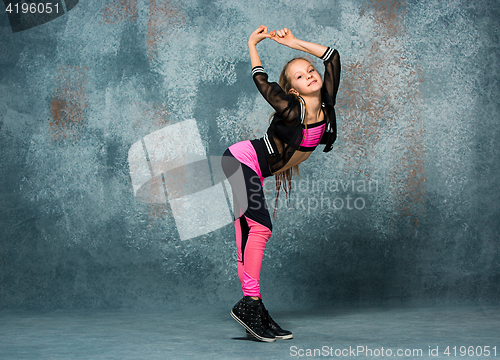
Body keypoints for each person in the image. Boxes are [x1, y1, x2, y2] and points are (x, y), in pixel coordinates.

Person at [221, 25, 341, 342]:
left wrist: (293, 44)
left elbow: (332, 57)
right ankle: (250, 304)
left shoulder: (327, 104)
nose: (310, 75)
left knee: (247, 234)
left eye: (310, 70)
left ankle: (253, 307)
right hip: (239, 161)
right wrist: (252, 43)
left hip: (253, 171)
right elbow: (262, 81)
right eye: (300, 76)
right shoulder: (290, 110)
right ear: (294, 90)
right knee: (258, 229)